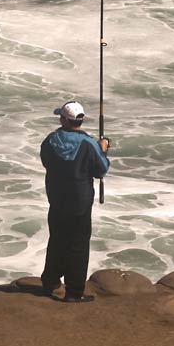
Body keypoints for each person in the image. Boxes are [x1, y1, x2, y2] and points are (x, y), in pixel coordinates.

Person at [40, 100, 110, 302]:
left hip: (56, 200)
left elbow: (47, 162)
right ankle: (73, 292)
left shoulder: (50, 140)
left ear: (64, 119)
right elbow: (101, 170)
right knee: (77, 245)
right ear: (80, 120)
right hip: (79, 203)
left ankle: (50, 282)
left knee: (57, 240)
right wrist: (103, 150)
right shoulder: (88, 144)